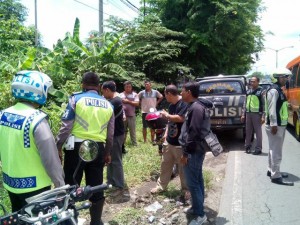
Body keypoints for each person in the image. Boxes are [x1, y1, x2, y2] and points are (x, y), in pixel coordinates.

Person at [0, 70, 65, 212]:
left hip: (11, 184)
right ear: (38, 91)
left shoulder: (3, 115)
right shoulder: (36, 120)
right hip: (36, 188)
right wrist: (60, 185)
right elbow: (50, 159)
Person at [56, 72, 114, 225]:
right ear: (100, 87)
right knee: (96, 186)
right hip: (98, 148)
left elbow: (66, 126)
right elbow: (110, 134)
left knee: (71, 184)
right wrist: (107, 152)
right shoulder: (108, 104)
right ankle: (95, 221)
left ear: (82, 84)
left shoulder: (76, 99)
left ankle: (69, 221)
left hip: (76, 147)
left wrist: (58, 146)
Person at [179, 81, 212, 225]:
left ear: (189, 92)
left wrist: (185, 153)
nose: (181, 93)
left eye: (182, 90)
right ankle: (197, 207)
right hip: (195, 150)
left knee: (193, 183)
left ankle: (200, 215)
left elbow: (193, 133)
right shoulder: (193, 106)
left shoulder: (196, 108)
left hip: (194, 151)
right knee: (197, 180)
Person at [151, 85, 189, 197]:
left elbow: (181, 118)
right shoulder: (171, 105)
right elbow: (170, 121)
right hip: (169, 141)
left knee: (183, 169)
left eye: (165, 94)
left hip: (180, 143)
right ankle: (161, 186)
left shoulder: (183, 103)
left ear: (169, 94)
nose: (164, 97)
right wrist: (166, 133)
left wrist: (167, 115)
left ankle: (186, 189)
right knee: (165, 165)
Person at [265, 68, 294, 186]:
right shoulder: (274, 91)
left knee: (272, 149)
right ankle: (276, 176)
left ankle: (270, 170)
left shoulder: (278, 90)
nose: (287, 80)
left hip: (278, 124)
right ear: (280, 77)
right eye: (286, 77)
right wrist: (274, 124)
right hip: (276, 125)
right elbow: (272, 109)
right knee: (276, 151)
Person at [101, 81, 126, 194]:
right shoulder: (114, 99)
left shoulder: (115, 101)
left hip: (116, 134)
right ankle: (110, 181)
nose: (103, 95)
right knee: (109, 158)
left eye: (103, 92)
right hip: (114, 133)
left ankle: (119, 184)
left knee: (115, 159)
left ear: (107, 90)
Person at [241, 76, 265, 155]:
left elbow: (264, 104)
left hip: (257, 114)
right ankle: (247, 147)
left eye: (254, 81)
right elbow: (245, 103)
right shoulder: (248, 91)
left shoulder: (261, 91)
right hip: (248, 114)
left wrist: (263, 116)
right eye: (251, 81)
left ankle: (258, 148)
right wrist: (243, 114)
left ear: (258, 82)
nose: (252, 83)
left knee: (258, 132)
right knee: (248, 131)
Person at [119, 81, 139, 147]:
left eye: (129, 87)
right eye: (127, 87)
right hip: (122, 115)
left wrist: (128, 101)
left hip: (131, 115)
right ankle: (122, 144)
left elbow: (137, 103)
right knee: (123, 131)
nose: (128, 88)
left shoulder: (135, 94)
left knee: (132, 131)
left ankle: (134, 144)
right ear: (124, 87)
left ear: (131, 87)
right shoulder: (120, 95)